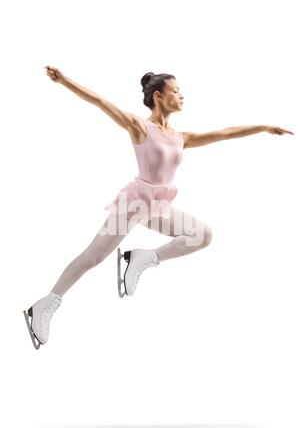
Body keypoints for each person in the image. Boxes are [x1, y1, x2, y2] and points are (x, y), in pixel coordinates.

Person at [23, 65, 294, 349]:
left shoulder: (181, 138)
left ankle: (142, 259)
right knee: (93, 257)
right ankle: (45, 305)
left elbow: (224, 133)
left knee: (202, 235)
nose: (181, 96)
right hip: (133, 205)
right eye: (175, 91)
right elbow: (100, 102)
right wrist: (64, 80)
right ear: (157, 96)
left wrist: (263, 127)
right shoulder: (140, 127)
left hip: (157, 208)